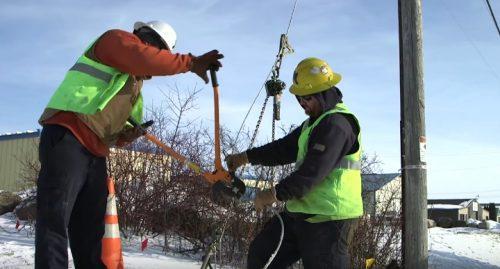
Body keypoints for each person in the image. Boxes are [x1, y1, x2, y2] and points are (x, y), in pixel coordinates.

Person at [35, 20, 223, 268]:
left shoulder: (134, 89)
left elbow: (118, 133)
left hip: (95, 151)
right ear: (141, 35)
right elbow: (140, 56)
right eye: (153, 45)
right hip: (68, 133)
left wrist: (128, 135)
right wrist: (190, 62)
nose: (152, 50)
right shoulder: (116, 40)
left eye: (159, 49)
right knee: (55, 218)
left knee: (89, 229)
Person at [226, 57, 363, 269]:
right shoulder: (313, 124)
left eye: (306, 98)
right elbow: (282, 149)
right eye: (298, 99)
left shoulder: (337, 125)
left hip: (329, 219)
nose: (302, 104)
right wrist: (246, 157)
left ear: (322, 93)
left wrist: (272, 194)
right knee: (261, 255)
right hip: (300, 213)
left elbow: (311, 173)